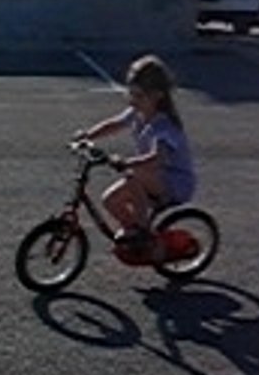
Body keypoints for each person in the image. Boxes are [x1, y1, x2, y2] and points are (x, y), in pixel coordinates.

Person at [76, 54, 196, 246]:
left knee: (133, 173)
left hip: (175, 182)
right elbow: (115, 124)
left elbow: (157, 159)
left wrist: (125, 162)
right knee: (110, 200)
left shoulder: (163, 126)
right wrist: (88, 135)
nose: (132, 100)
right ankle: (137, 236)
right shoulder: (138, 113)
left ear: (157, 95)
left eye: (139, 96)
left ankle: (142, 229)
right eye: (130, 93)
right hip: (152, 177)